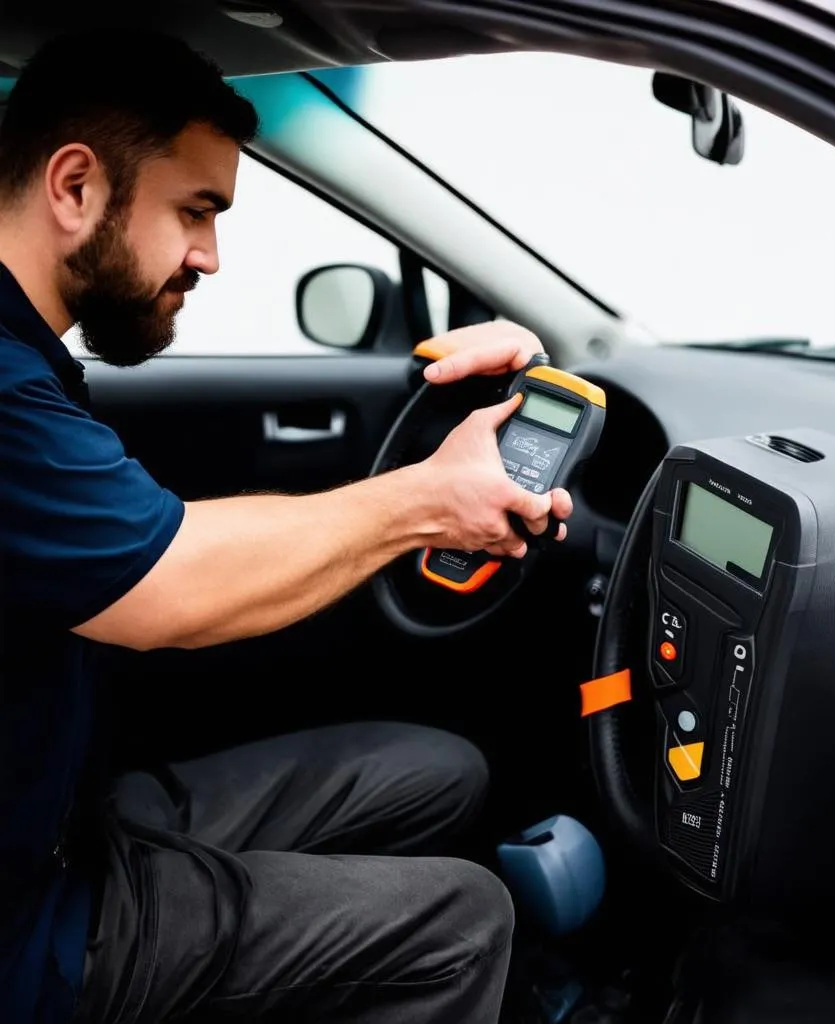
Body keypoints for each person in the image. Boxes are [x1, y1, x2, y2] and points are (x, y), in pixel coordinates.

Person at [0, 29, 573, 1024]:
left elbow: (154, 528)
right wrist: (429, 502)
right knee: (465, 921)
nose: (210, 257)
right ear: (76, 187)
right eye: (196, 211)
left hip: (65, 821)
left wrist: (434, 401)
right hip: (32, 928)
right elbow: (169, 580)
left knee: (439, 771)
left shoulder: (24, 357)